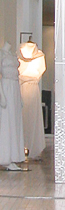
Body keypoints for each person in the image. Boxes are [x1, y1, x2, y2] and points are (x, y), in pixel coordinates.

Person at [17, 41, 47, 160]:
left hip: (22, 88)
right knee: (31, 117)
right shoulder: (39, 56)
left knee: (24, 117)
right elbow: (40, 71)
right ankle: (30, 146)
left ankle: (23, 146)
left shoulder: (20, 55)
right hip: (31, 88)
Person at [0, 42, 26, 170]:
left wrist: (20, 97)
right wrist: (1, 95)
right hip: (6, 87)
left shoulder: (13, 54)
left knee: (15, 123)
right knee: (6, 122)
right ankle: (5, 157)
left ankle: (13, 157)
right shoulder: (1, 54)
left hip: (15, 88)